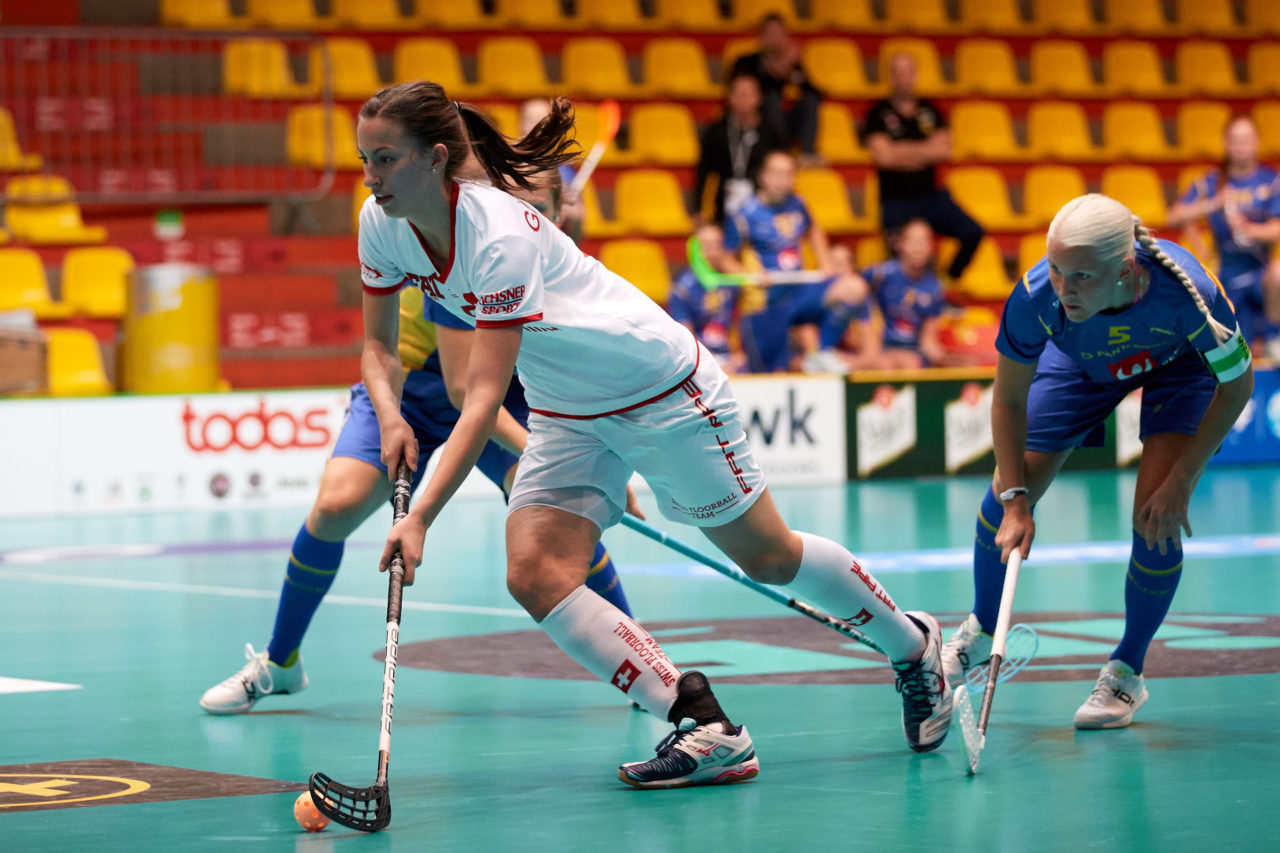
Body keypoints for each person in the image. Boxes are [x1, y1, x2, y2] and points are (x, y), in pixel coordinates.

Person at [355, 81, 954, 788]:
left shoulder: (498, 235)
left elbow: (482, 396)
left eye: (386, 159)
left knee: (768, 554)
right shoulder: (380, 221)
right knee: (535, 569)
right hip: (568, 408)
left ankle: (914, 646)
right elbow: (379, 346)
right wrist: (389, 411)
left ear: (436, 157)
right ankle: (703, 723)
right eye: (366, 159)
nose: (371, 177)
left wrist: (420, 514)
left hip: (658, 388)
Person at [198, 167, 633, 716]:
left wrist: (586, 468)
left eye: (544, 211)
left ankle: (643, 663)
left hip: (501, 398)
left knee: (550, 512)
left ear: (562, 214)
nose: (531, 220)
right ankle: (280, 663)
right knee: (335, 506)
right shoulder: (476, 250)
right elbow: (461, 390)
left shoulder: (561, 260)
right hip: (420, 395)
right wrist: (545, 457)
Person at [940, 194, 1254, 729]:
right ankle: (983, 627)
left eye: (1082, 276)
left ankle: (1127, 671)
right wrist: (1018, 501)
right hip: (1081, 362)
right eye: (1057, 269)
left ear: (1126, 270)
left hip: (1181, 369)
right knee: (1005, 490)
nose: (1064, 288)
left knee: (1155, 519)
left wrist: (1182, 479)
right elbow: (1008, 399)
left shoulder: (1189, 296)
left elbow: (1237, 385)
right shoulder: (1040, 295)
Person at [722, 150, 870, 373]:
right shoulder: (743, 214)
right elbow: (725, 258)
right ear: (762, 176)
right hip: (765, 302)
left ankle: (820, 354)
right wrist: (749, 276)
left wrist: (825, 261)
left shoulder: (798, 203)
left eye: (789, 174)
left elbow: (814, 231)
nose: (784, 181)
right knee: (769, 375)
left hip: (799, 291)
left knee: (853, 287)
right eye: (777, 174)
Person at [861, 52, 983, 280]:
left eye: (908, 72)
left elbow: (944, 150)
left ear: (915, 76)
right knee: (899, 255)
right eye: (899, 73)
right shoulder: (877, 113)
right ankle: (901, 299)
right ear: (891, 77)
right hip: (895, 200)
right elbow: (884, 157)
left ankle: (947, 281)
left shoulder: (931, 111)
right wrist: (925, 150)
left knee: (972, 232)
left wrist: (901, 152)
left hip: (932, 197)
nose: (904, 78)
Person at [1168, 114, 1280, 360]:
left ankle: (1274, 337)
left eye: (1247, 140)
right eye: (1236, 140)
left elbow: (1277, 228)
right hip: (1224, 272)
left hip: (1260, 273)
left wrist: (1247, 228)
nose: (1241, 146)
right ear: (1226, 143)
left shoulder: (1271, 181)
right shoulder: (1211, 182)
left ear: (1257, 142)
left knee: (1278, 272)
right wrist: (1212, 205)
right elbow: (1173, 217)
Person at [861, 218, 971, 369]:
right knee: (885, 364)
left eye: (924, 241)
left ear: (930, 247)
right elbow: (855, 307)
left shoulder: (934, 288)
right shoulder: (878, 275)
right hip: (879, 348)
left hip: (913, 353)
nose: (918, 247)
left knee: (912, 364)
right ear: (899, 244)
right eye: (913, 241)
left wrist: (947, 360)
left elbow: (928, 340)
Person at [693, 73, 789, 224]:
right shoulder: (717, 131)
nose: (744, 99)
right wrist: (698, 209)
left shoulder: (770, 131)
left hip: (763, 208)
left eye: (749, 94)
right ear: (730, 97)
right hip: (724, 207)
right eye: (739, 94)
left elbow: (782, 167)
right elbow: (703, 170)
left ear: (758, 97)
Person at [729, 14, 823, 162]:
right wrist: (774, 71)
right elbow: (743, 93)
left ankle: (807, 154)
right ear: (761, 37)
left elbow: (815, 93)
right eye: (771, 33)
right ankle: (780, 154)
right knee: (771, 100)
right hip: (757, 123)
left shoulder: (792, 66)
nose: (775, 38)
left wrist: (791, 72)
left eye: (779, 34)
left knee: (809, 101)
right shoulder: (747, 62)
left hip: (784, 124)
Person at [668, 223, 746, 373]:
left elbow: (754, 286)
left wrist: (737, 355)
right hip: (699, 359)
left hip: (728, 355)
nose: (713, 251)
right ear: (695, 248)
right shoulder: (683, 288)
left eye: (718, 244)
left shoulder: (728, 281)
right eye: (707, 245)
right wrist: (714, 362)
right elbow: (686, 339)